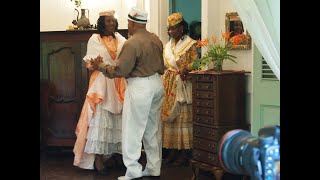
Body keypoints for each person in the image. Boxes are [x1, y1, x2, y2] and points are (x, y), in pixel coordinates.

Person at [89, 7, 165, 180]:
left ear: (132, 23)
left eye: (128, 22)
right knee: (152, 130)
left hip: (140, 87)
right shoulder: (155, 39)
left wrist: (99, 66)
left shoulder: (132, 43)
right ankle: (154, 168)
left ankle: (133, 171)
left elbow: (120, 70)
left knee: (132, 131)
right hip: (157, 85)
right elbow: (162, 65)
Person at [73, 10, 127, 175]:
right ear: (102, 23)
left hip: (119, 82)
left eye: (113, 21)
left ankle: (117, 155)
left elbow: (127, 59)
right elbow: (89, 64)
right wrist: (95, 63)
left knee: (119, 120)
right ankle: (97, 158)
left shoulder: (122, 39)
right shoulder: (94, 39)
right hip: (102, 84)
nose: (111, 24)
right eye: (108, 21)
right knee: (100, 119)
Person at [161, 12, 198, 166]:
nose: (171, 32)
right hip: (169, 85)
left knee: (183, 117)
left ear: (182, 28)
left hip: (183, 84)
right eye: (169, 29)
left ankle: (184, 153)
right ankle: (172, 151)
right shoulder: (167, 46)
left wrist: (186, 69)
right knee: (171, 120)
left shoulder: (191, 44)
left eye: (174, 28)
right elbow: (164, 65)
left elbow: (195, 63)